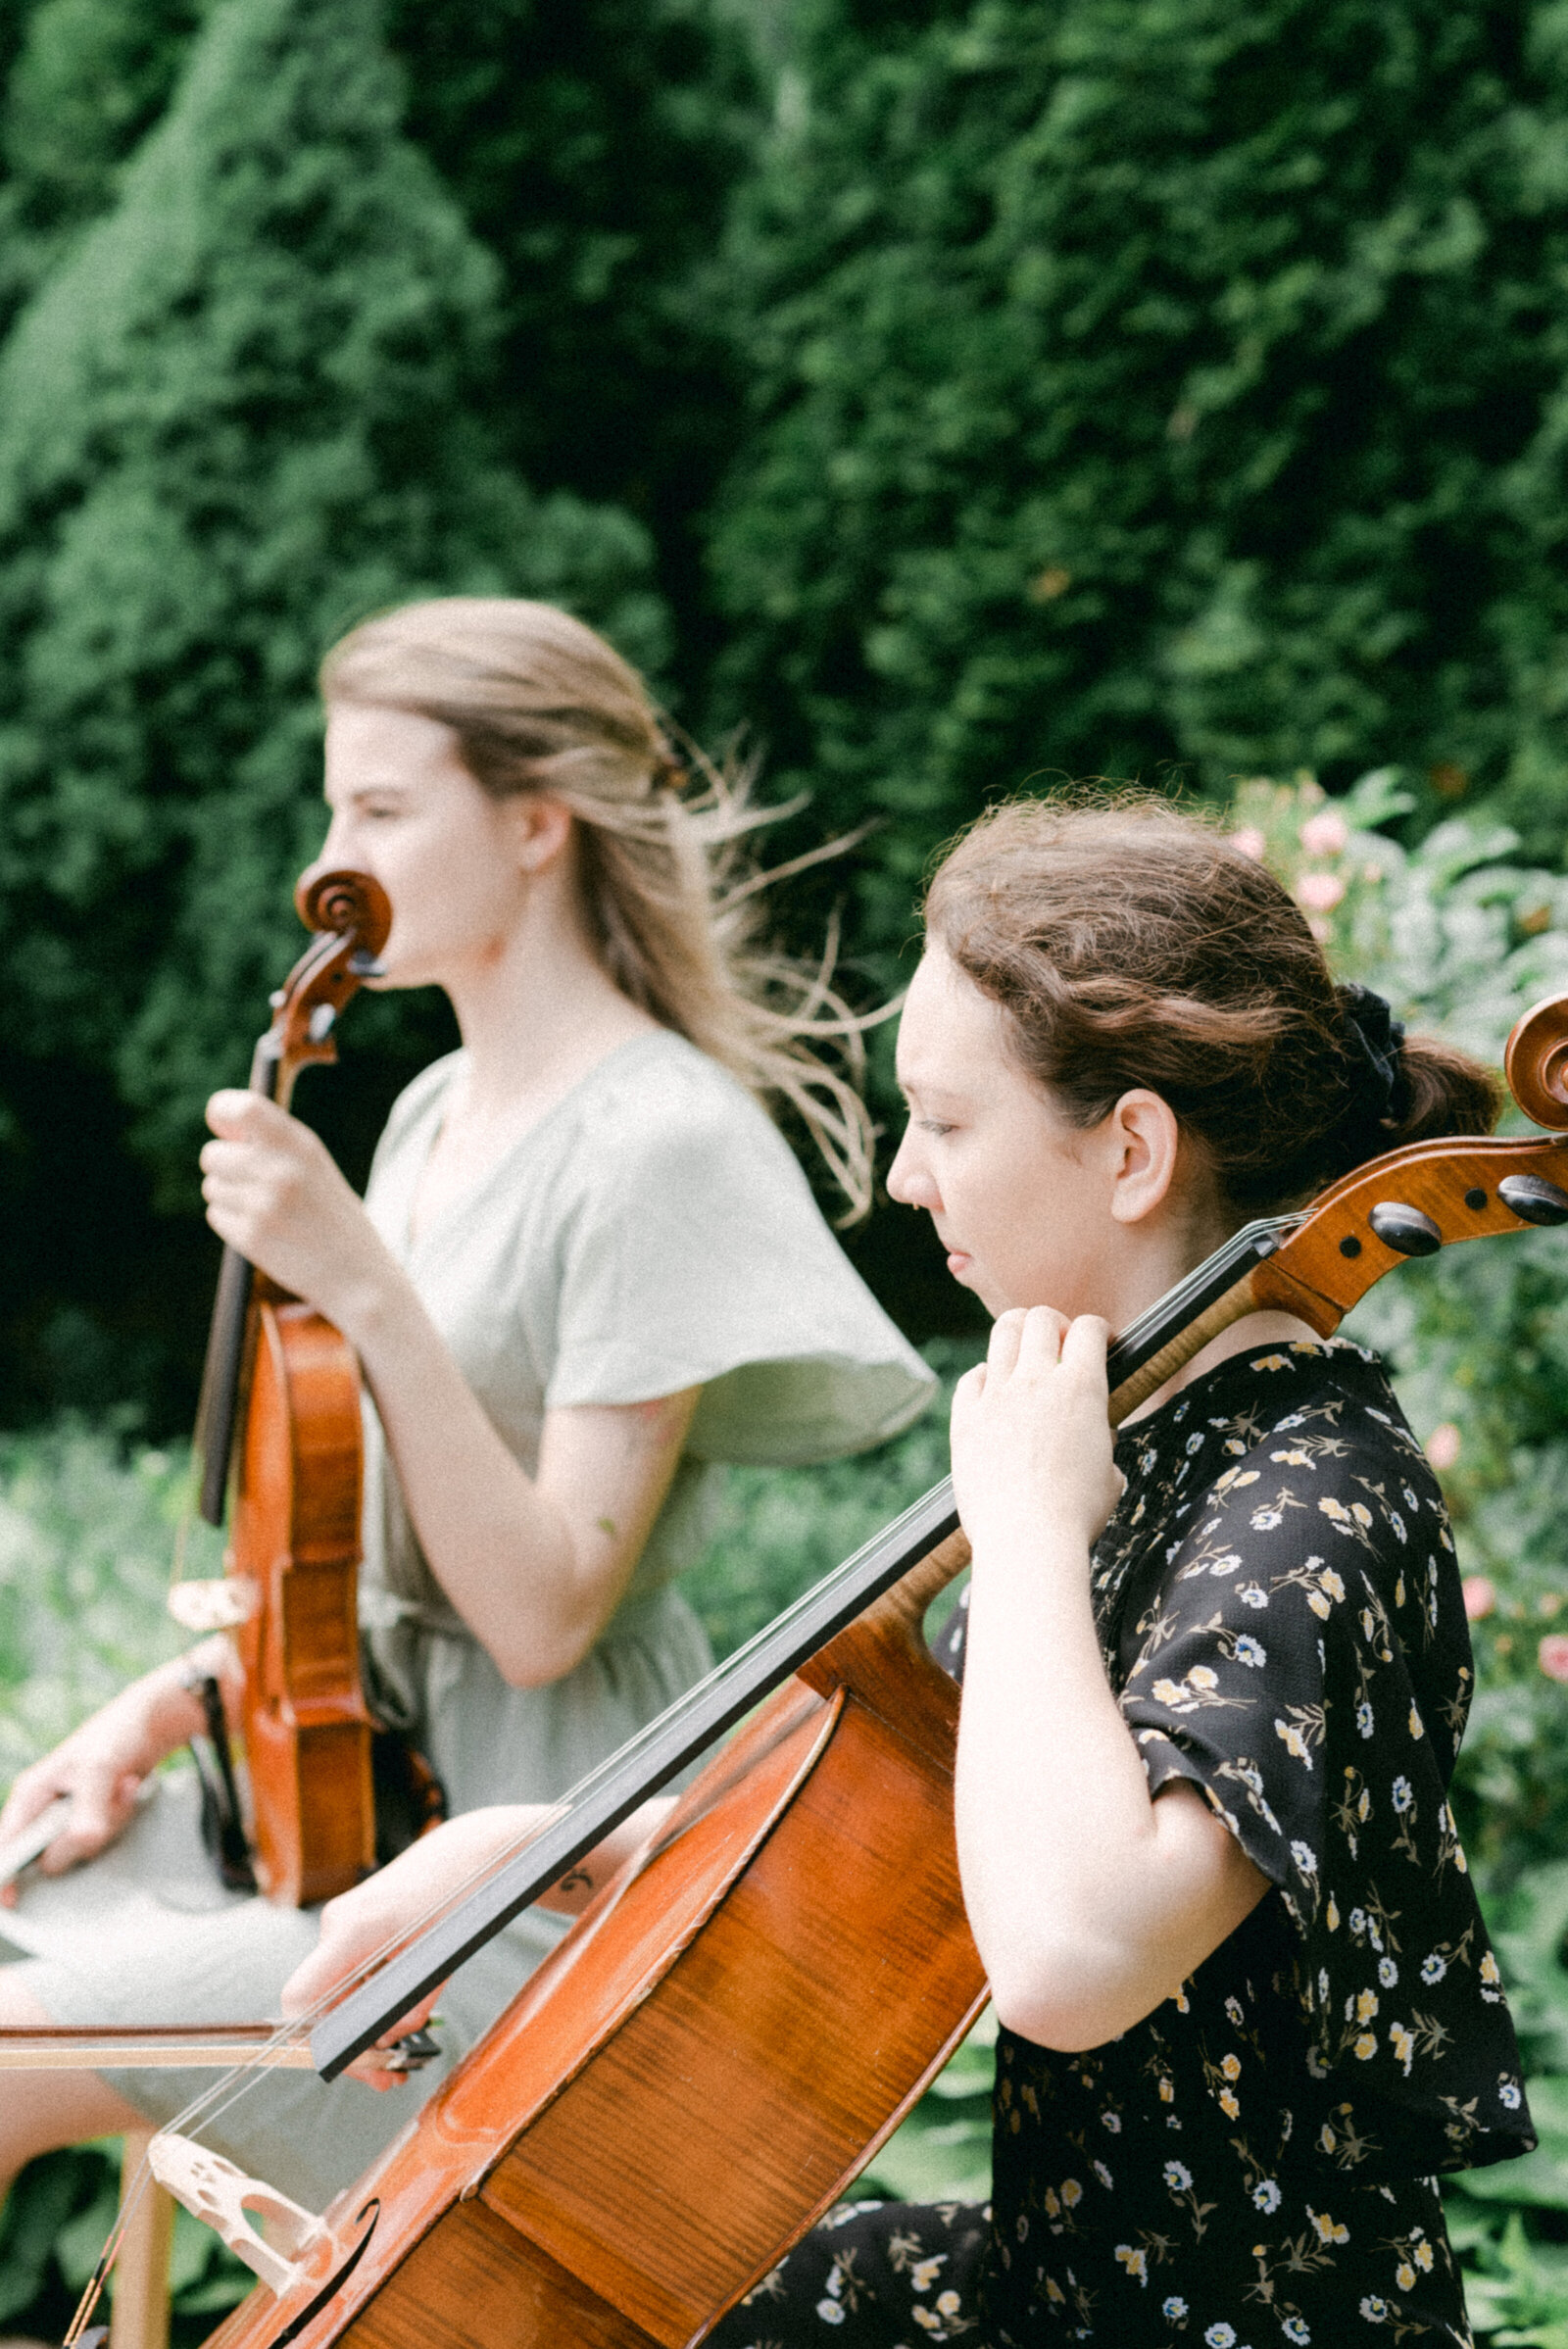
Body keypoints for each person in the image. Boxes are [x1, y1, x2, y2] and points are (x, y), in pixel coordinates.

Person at [297, 794, 1534, 2343]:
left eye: (944, 1120)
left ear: (1132, 1147)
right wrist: (530, 1848)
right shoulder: (1139, 1432)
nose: (902, 1176)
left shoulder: (1307, 1501)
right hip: (1081, 2280)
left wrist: (1023, 1529)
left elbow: (1072, 1953)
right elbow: (919, 1836)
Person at [0, 597, 934, 2213]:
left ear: (532, 821)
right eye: (333, 805)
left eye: (376, 807)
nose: (326, 858)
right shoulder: (430, 1111)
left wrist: (365, 1285)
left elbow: (538, 1613)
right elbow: (359, 1570)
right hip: (352, 1790)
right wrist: (163, 1705)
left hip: (531, 1847)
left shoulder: (657, 1139)